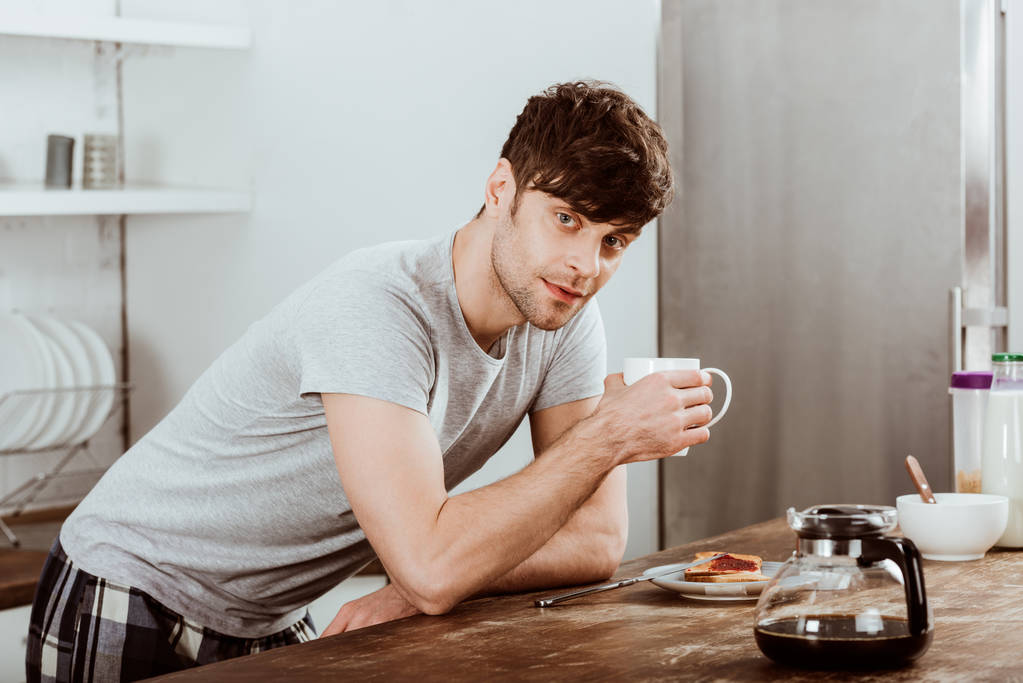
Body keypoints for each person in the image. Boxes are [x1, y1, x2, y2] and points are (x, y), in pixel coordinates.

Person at [26, 80, 715, 681]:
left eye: (612, 241)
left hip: (269, 608)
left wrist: (413, 589)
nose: (583, 266)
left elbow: (594, 543)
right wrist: (607, 435)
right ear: (500, 189)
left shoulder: (564, 317)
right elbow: (434, 563)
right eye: (565, 219)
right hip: (132, 579)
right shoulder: (378, 307)